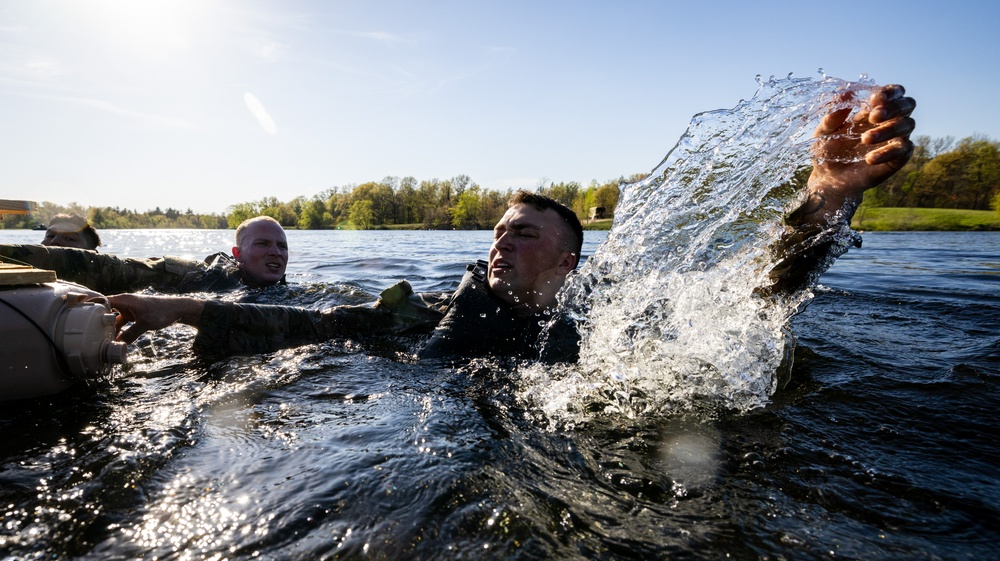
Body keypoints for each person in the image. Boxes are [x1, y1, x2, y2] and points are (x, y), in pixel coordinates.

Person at [108, 84, 916, 361]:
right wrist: (167, 308)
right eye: (498, 230)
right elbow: (311, 325)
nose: (500, 239)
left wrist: (825, 201)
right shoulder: (444, 314)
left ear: (568, 260)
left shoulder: (611, 323)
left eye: (523, 232)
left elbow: (752, 300)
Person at [0, 215, 289, 294]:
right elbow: (111, 267)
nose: (275, 252)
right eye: (263, 244)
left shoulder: (292, 295)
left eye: (282, 246)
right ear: (236, 253)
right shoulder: (200, 274)